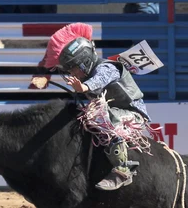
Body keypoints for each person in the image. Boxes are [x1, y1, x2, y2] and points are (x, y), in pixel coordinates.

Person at [41, 23, 152, 191]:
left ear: (84, 62)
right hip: (111, 115)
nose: (71, 74)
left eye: (73, 69)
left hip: (133, 116)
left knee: (95, 115)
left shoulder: (107, 67)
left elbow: (100, 79)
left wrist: (84, 88)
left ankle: (124, 169)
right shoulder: (87, 76)